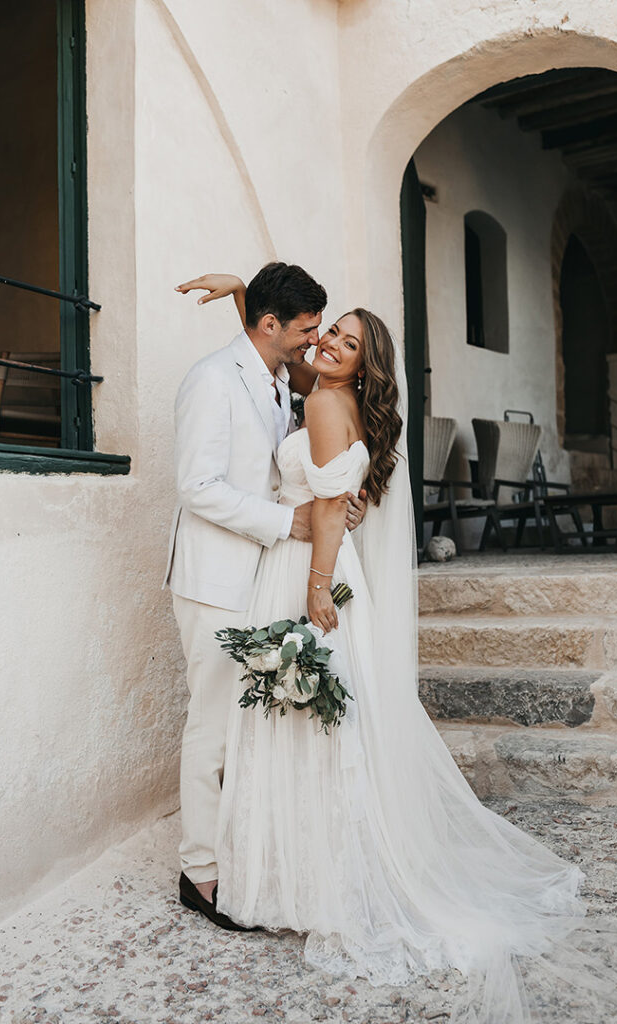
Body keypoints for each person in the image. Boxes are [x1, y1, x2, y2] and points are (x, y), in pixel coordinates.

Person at [178, 273, 617, 1024]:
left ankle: (294, 871)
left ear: (364, 365)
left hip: (306, 570)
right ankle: (246, 867)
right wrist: (242, 291)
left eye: (342, 338)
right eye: (322, 330)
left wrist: (316, 582)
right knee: (286, 721)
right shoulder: (314, 387)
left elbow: (329, 503)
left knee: (302, 722)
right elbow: (267, 352)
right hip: (282, 563)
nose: (324, 341)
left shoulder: (323, 401)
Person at [164, 263, 366, 930]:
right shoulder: (212, 379)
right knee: (214, 725)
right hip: (215, 579)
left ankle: (238, 851)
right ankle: (199, 872)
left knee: (247, 725)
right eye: (307, 330)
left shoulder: (280, 377)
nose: (315, 341)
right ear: (272, 325)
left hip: (258, 578)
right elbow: (197, 486)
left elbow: (298, 456)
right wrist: (289, 523)